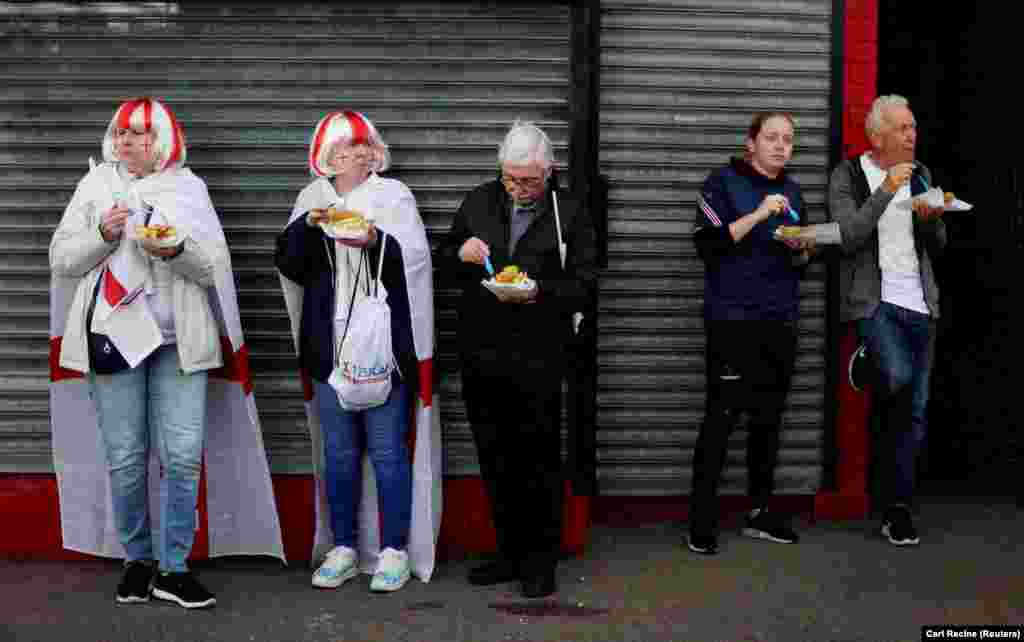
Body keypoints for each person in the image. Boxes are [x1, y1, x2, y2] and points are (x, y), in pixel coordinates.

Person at [49, 97, 283, 609]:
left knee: (181, 457)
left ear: (164, 141)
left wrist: (175, 249)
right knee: (126, 458)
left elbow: (213, 267)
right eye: (122, 133)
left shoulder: (188, 188)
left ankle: (174, 568)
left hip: (178, 344)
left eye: (141, 134)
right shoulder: (96, 185)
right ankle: (137, 560)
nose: (128, 141)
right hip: (115, 338)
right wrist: (102, 235)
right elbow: (62, 258)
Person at [276, 111, 439, 592]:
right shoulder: (312, 199)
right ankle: (343, 546)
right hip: (328, 348)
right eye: (347, 147)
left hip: (385, 348)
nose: (358, 154)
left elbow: (415, 265)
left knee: (389, 451)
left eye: (365, 146)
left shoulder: (394, 197)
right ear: (326, 155)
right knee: (339, 453)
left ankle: (394, 550)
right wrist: (309, 225)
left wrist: (374, 240)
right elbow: (290, 263)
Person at [437, 121, 598, 598]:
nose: (518, 189)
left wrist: (540, 292)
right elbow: (444, 259)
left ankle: (540, 560)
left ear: (549, 171)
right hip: (481, 351)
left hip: (540, 354)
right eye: (510, 178)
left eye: (528, 180)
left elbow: (586, 284)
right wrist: (460, 251)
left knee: (539, 459)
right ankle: (507, 552)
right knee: (495, 455)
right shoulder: (479, 200)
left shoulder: (568, 211)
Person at [687, 112, 814, 556]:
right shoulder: (721, 183)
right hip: (731, 321)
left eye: (789, 140)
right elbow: (707, 246)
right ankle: (700, 519)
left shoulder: (794, 190)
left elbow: (802, 260)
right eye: (772, 138)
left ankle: (760, 512)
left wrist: (803, 247)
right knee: (721, 418)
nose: (782, 146)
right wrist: (759, 214)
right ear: (751, 143)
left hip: (778, 319)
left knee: (768, 420)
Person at [829, 95, 946, 546]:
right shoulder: (849, 175)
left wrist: (932, 218)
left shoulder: (923, 176)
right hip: (874, 305)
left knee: (911, 414)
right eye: (902, 128)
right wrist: (885, 191)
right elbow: (848, 236)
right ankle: (871, 359)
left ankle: (896, 508)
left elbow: (937, 244)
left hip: (921, 305)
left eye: (913, 127)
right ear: (876, 137)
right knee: (896, 377)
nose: (911, 135)